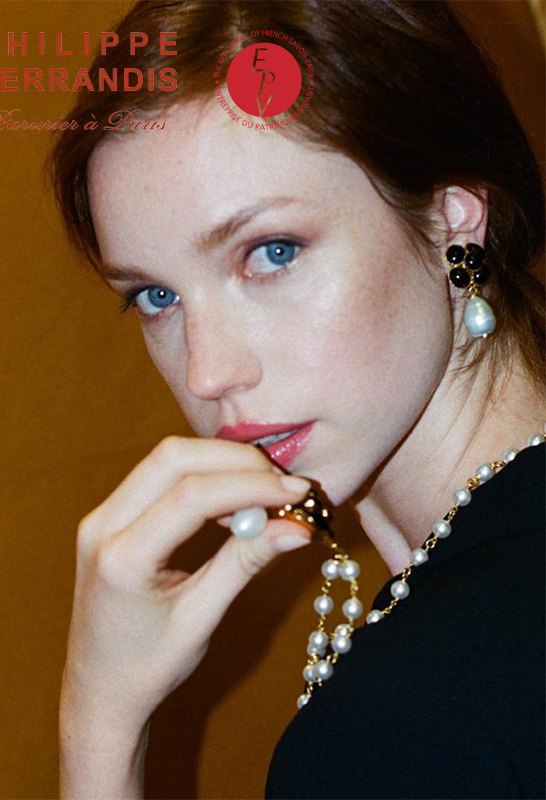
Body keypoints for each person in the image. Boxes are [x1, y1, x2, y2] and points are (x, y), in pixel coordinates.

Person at [48, 1, 546, 797]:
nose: (208, 373)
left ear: (454, 221)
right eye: (155, 297)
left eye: (272, 252)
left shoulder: (411, 721)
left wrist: (98, 723)